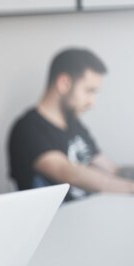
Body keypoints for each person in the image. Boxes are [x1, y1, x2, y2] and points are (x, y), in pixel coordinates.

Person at [8, 48, 134, 201]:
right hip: (59, 221)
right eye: (89, 91)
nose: (92, 103)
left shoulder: (74, 125)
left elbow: (111, 169)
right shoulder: (27, 129)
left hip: (91, 213)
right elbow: (66, 172)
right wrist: (130, 188)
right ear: (64, 83)